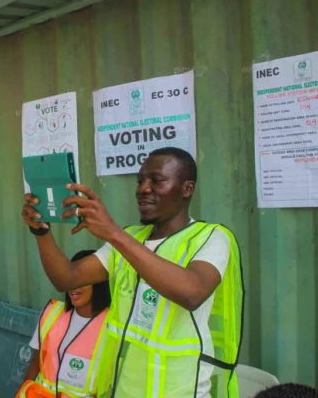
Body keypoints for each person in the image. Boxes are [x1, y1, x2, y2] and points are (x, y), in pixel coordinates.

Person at [21, 147, 244, 398]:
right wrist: (41, 231)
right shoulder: (130, 238)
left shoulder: (211, 237)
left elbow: (191, 293)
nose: (143, 188)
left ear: (187, 189)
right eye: (140, 181)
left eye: (156, 180)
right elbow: (67, 278)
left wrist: (113, 233)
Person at [16, 250, 111, 397]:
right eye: (70, 279)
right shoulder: (51, 314)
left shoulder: (111, 325)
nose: (73, 286)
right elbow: (35, 365)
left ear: (99, 282)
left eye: (81, 279)